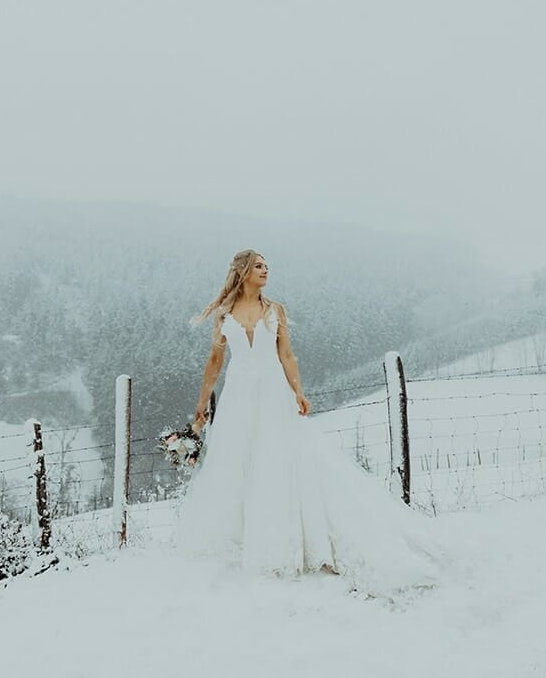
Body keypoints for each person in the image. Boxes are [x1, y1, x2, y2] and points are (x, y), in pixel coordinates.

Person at [170, 249, 448, 599]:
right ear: (242, 272)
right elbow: (214, 361)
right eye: (258, 265)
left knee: (277, 458)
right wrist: (200, 406)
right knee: (239, 461)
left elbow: (286, 354)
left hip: (273, 392)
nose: (266, 270)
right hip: (238, 395)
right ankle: (243, 534)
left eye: (267, 265)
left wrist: (298, 392)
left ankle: (283, 537)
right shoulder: (225, 314)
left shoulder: (276, 310)